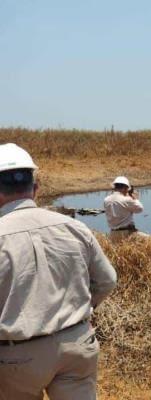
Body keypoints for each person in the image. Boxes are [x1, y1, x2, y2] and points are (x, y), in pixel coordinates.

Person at [0, 143, 117, 400]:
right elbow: (107, 280)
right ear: (35, 189)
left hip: (16, 355)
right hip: (77, 342)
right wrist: (84, 310)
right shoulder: (74, 227)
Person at [103, 176, 147, 241]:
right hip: (127, 234)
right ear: (124, 188)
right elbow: (140, 209)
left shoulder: (106, 200)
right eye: (127, 188)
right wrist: (135, 198)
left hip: (113, 234)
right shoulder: (126, 200)